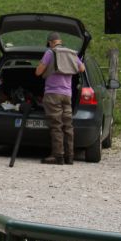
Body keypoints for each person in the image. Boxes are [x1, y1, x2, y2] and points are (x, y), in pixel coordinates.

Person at [35, 31, 84, 165]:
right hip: (67, 94)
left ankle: (58, 156)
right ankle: (70, 157)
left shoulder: (50, 53)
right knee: (68, 125)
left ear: (50, 43)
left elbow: (38, 72)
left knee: (56, 125)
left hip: (52, 94)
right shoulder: (71, 53)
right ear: (60, 41)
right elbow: (82, 68)